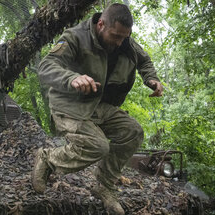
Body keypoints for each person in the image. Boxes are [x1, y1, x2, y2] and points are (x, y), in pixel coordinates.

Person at [32, 3, 163, 214]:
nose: (120, 42)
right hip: (70, 105)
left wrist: (152, 79)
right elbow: (46, 67)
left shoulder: (125, 41)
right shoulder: (75, 37)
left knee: (133, 132)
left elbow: (144, 59)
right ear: (101, 24)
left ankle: (104, 185)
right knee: (98, 146)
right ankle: (48, 158)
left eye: (124, 37)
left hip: (101, 106)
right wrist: (72, 78)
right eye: (115, 36)